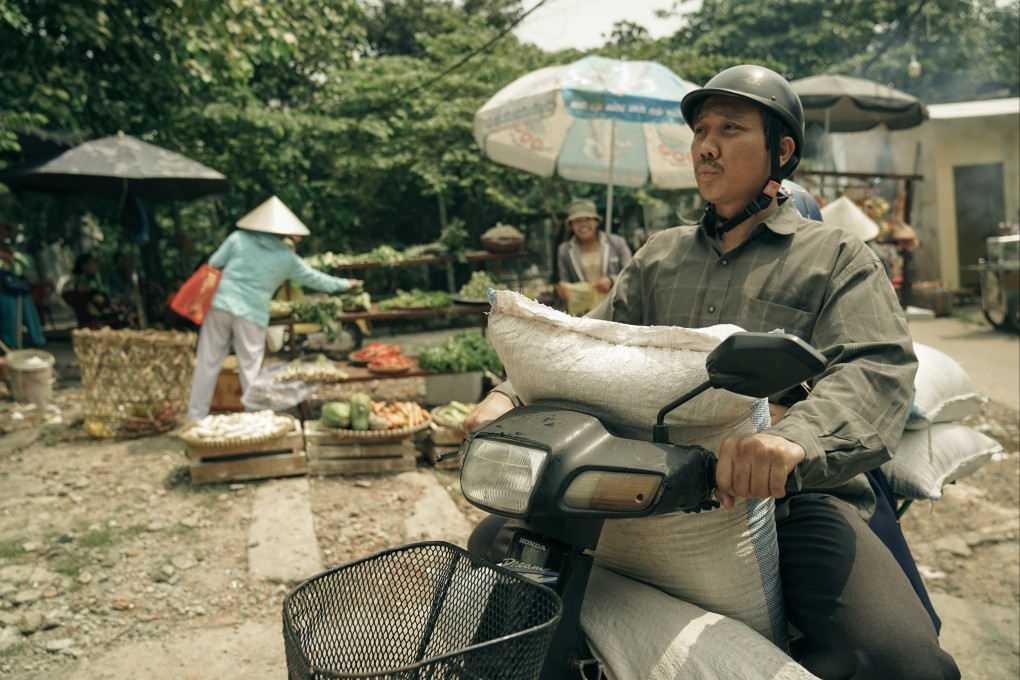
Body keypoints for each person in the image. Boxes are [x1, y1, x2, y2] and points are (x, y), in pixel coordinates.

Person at [465, 65, 960, 679]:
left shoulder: (835, 257)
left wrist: (792, 440)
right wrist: (509, 392)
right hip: (644, 477)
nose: (706, 143)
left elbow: (876, 366)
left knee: (902, 661)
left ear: (782, 150)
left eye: (730, 127)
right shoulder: (658, 257)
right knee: (500, 549)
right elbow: (584, 342)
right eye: (701, 128)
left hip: (790, 496)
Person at [185, 200, 362, 422]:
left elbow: (214, 262)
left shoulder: (238, 239)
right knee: (250, 367)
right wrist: (346, 285)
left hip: (220, 304)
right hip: (251, 313)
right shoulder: (287, 258)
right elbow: (317, 280)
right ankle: (254, 419)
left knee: (208, 361)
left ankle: (194, 419)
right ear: (286, 233)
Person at [555, 198, 632, 315]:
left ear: (596, 221)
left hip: (616, 308)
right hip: (585, 313)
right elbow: (565, 279)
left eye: (588, 219)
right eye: (577, 221)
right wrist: (563, 288)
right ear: (571, 225)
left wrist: (611, 280)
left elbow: (631, 274)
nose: (583, 224)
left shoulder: (617, 242)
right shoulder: (565, 250)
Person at [0, 219, 46, 348]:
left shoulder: (11, 250)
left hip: (15, 287)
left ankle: (38, 341)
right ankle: (12, 345)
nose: (2, 232)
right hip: (2, 290)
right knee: (11, 317)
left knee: (28, 308)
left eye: (5, 229)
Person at [68, 252, 132, 329]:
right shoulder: (86, 280)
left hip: (96, 311)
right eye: (93, 263)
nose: (96, 265)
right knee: (125, 314)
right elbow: (99, 299)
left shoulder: (86, 279)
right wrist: (115, 305)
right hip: (97, 313)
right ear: (84, 266)